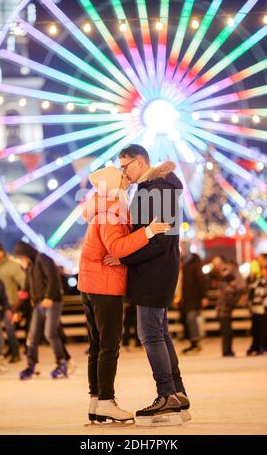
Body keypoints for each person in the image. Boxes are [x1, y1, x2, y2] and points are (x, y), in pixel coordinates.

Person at [104, 145, 190, 427]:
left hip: (155, 272)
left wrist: (124, 256)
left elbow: (159, 238)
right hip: (157, 270)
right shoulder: (156, 188)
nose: (123, 173)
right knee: (160, 333)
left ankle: (166, 395)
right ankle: (177, 394)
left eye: (125, 166)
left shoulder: (158, 188)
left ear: (140, 162)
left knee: (150, 333)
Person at [78, 165, 171, 424]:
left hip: (92, 284)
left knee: (97, 347)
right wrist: (148, 231)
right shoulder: (109, 213)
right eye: (122, 181)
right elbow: (117, 246)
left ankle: (96, 401)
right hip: (104, 286)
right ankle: (107, 401)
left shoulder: (100, 209)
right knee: (109, 346)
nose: (127, 183)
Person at [13, 241, 68, 379]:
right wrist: (18, 311)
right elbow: (26, 290)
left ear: (26, 253)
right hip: (38, 304)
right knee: (32, 337)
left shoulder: (42, 258)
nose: (21, 260)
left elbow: (53, 277)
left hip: (53, 302)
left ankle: (61, 364)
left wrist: (49, 296)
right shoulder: (29, 266)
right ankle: (31, 365)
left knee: (50, 333)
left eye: (21, 257)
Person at [0, 243, 25, 362]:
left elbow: (24, 282)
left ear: (1, 251)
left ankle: (15, 354)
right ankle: (1, 354)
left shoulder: (12, 266)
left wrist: (19, 301)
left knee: (9, 330)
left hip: (10, 304)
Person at [177, 244, 207, 354]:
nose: (181, 250)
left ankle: (196, 343)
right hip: (184, 298)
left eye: (183, 248)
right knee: (185, 320)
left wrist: (204, 296)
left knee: (191, 319)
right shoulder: (181, 263)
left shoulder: (194, 263)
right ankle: (192, 342)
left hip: (194, 297)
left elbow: (201, 280)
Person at [217, 260, 246, 357]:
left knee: (226, 333)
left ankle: (227, 351)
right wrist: (238, 298)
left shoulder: (225, 287)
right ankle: (227, 351)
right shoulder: (229, 289)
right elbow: (230, 301)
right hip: (224, 313)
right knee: (227, 333)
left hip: (223, 313)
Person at [247, 265, 267, 355]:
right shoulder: (258, 282)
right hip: (258, 309)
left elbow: (263, 296)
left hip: (260, 309)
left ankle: (263, 347)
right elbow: (254, 296)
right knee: (258, 330)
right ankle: (258, 347)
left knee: (261, 329)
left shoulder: (260, 282)